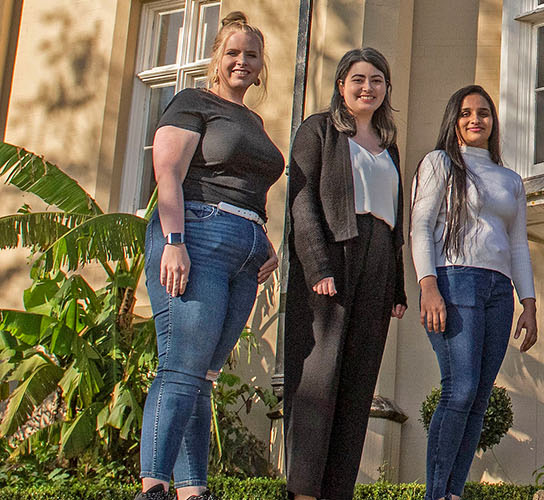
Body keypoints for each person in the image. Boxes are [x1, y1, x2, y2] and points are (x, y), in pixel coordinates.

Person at [138, 12, 281, 500]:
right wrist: (174, 243)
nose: (243, 62)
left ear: (261, 67)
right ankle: (153, 486)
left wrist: (268, 245)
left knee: (204, 375)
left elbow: (252, 190)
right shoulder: (192, 102)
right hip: (195, 236)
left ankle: (192, 491)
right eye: (234, 53)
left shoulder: (254, 121)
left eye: (252, 55)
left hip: (245, 251)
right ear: (217, 60)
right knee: (180, 367)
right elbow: (168, 173)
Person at [283, 47, 406, 500]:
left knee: (358, 383)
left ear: (386, 89)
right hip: (334, 257)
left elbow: (395, 223)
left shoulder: (390, 146)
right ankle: (304, 491)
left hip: (376, 265)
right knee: (319, 379)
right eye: (358, 79)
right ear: (341, 86)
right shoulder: (318, 130)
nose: (367, 88)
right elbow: (302, 201)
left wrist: (396, 286)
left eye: (376, 80)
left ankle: (337, 491)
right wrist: (317, 265)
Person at [411, 85, 540, 500]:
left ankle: (453, 492)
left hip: (499, 291)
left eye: (483, 113)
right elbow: (420, 227)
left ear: (493, 122)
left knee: (480, 398)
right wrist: (427, 284)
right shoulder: (439, 163)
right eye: (466, 113)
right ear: (454, 118)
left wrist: (530, 302)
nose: (475, 120)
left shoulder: (510, 179)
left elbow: (518, 243)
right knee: (460, 388)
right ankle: (436, 492)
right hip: (453, 280)